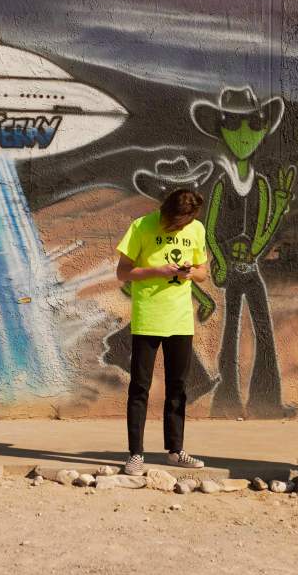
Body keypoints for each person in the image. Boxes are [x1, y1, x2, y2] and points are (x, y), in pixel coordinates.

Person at [116, 188, 210, 476]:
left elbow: (203, 272)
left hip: (180, 320)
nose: (178, 228)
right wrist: (157, 271)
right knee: (140, 388)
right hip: (148, 318)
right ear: (165, 211)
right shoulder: (141, 226)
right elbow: (123, 272)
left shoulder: (196, 229)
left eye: (183, 223)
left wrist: (188, 272)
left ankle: (175, 450)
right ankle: (135, 454)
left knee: (178, 387)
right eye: (174, 222)